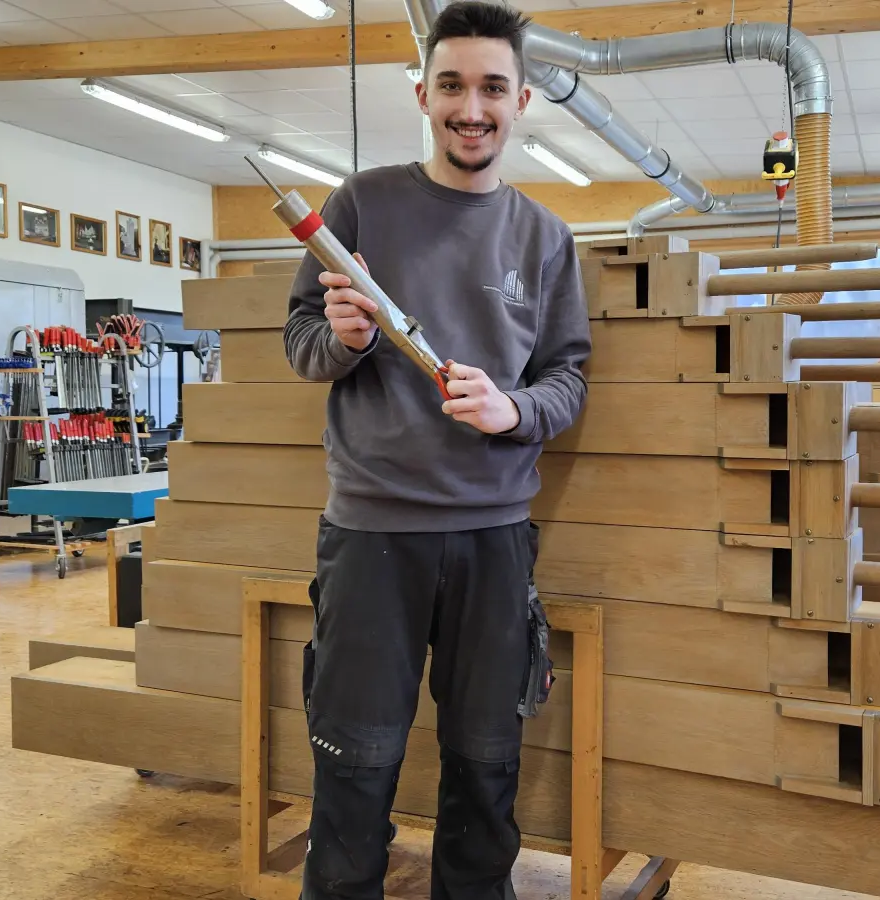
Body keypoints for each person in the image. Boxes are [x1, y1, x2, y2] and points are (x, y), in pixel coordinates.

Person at [282, 2, 591, 898]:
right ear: (422, 93)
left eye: (492, 87)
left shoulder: (544, 238)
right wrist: (343, 336)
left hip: (495, 541)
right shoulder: (361, 207)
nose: (471, 107)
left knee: (486, 773)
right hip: (371, 539)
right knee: (353, 766)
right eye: (451, 85)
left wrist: (513, 411)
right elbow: (305, 346)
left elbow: (568, 380)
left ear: (521, 98)